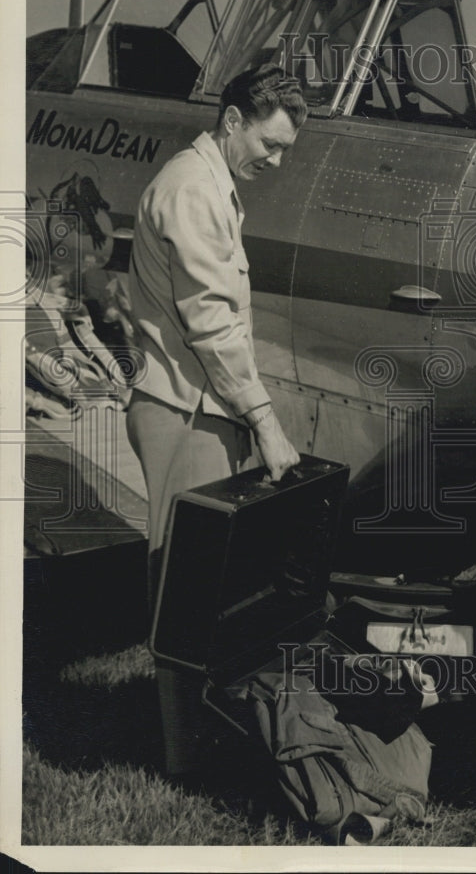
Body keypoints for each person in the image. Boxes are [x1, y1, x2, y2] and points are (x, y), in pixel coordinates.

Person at [126, 63, 307, 778]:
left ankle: (204, 733)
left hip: (202, 407)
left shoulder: (213, 184)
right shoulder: (193, 189)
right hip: (182, 410)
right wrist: (265, 422)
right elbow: (211, 326)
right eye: (270, 143)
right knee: (186, 585)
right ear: (231, 121)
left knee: (209, 584)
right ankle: (185, 757)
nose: (277, 159)